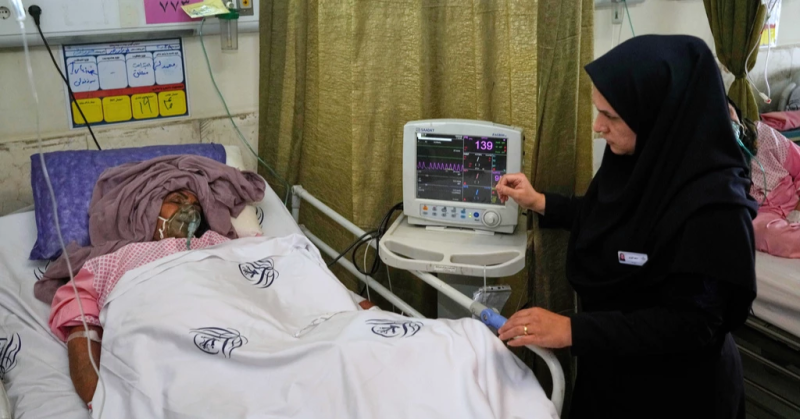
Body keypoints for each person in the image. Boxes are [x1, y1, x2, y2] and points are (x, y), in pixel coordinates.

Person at [495, 35, 757, 418]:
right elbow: (612, 219)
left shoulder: (715, 207)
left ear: (657, 114)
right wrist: (539, 201)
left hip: (678, 392)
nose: (597, 127)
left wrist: (573, 330)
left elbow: (692, 324)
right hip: (614, 368)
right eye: (598, 111)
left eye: (611, 116)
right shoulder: (641, 160)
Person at [729, 100, 800, 258]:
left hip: (795, 196)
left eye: (729, 112)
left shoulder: (762, 135)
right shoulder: (713, 162)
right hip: (763, 215)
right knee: (768, 235)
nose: (727, 121)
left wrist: (798, 207)